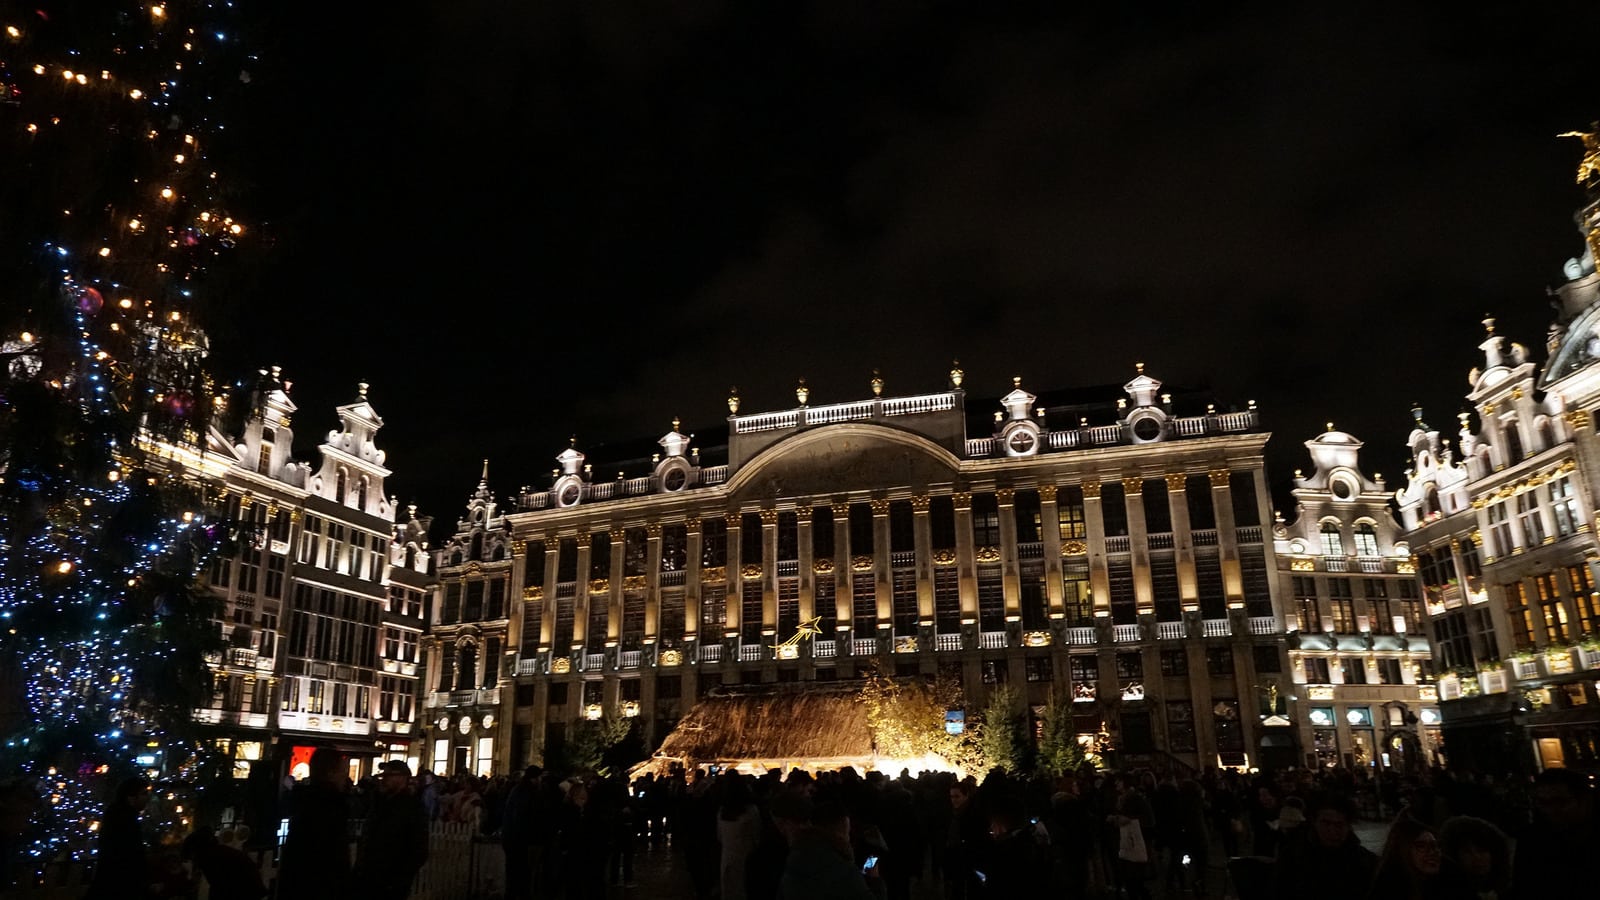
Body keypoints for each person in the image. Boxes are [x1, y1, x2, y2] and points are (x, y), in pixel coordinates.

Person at [276, 748, 351, 900]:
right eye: (342, 770)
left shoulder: (304, 801)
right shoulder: (331, 806)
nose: (345, 776)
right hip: (322, 887)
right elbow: (335, 857)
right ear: (330, 773)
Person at [1509, 768, 1596, 897]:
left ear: (1583, 801)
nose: (1550, 810)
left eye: (1560, 802)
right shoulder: (1532, 840)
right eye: (1543, 802)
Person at [1274, 794, 1378, 900]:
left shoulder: (1365, 861)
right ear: (1314, 822)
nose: (1332, 831)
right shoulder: (1293, 856)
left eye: (1339, 825)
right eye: (1325, 823)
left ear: (1348, 826)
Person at [352, 760, 430, 900]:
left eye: (388, 776)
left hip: (390, 883)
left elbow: (419, 849)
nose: (384, 780)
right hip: (369, 878)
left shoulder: (411, 809)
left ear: (402, 778)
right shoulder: (380, 804)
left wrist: (398, 880)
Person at [779, 800, 877, 900]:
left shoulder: (795, 857)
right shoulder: (844, 872)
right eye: (847, 832)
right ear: (840, 833)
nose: (848, 838)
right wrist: (874, 882)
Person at [84, 777, 154, 900]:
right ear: (131, 797)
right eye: (143, 793)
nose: (147, 798)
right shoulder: (124, 819)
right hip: (120, 882)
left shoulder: (121, 815)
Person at [1367, 811, 1442, 900]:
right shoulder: (1391, 889)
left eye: (1435, 845)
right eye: (1421, 846)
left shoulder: (1446, 880)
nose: (1432, 852)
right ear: (1403, 851)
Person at [181, 828, 267, 900]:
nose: (193, 860)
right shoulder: (220, 852)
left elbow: (219, 887)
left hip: (245, 892)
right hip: (250, 891)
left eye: (192, 856)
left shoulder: (211, 859)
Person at [1437, 815, 1508, 900]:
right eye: (1467, 852)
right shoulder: (1448, 893)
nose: (1476, 857)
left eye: (1481, 850)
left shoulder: (1508, 892)